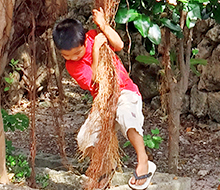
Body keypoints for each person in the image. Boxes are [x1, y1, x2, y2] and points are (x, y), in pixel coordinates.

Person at [52, 10, 156, 190]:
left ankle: (143, 160)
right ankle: (106, 166)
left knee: (126, 116)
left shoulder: (93, 36)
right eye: (66, 56)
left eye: (77, 53)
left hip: (125, 91)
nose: (72, 58)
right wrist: (96, 51)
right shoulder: (72, 66)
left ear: (85, 40)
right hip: (103, 101)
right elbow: (96, 78)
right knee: (85, 138)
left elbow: (119, 44)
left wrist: (104, 27)